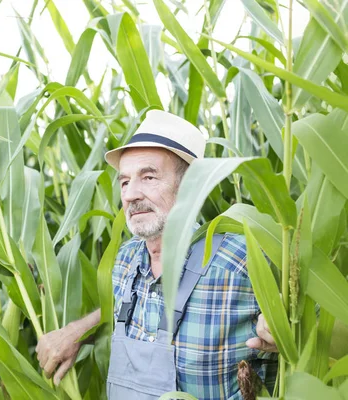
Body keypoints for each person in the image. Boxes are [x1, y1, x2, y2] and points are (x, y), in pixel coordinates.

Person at [35, 110, 278, 399]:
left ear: (191, 184)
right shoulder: (124, 260)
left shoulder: (241, 259)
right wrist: (77, 332)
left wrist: (282, 327)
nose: (130, 194)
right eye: (124, 182)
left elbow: (318, 312)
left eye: (148, 177)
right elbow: (120, 310)